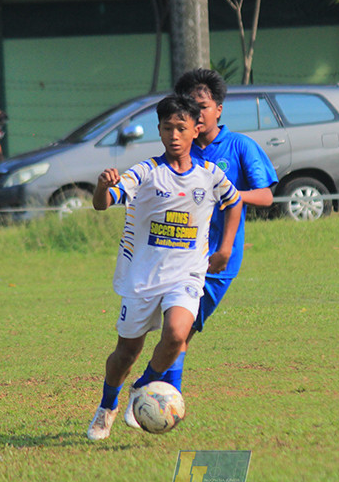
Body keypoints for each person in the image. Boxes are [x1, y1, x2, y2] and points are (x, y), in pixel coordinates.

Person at [117, 69, 279, 431]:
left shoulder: (239, 147)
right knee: (175, 334)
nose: (199, 114)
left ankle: (149, 396)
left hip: (216, 260)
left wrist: (227, 196)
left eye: (204, 107)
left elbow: (267, 196)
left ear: (218, 110)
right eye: (192, 108)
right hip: (167, 259)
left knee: (180, 333)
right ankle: (154, 396)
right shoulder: (178, 149)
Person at [87, 93, 242, 441]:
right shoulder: (146, 172)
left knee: (176, 334)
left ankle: (140, 390)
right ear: (159, 130)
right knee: (125, 352)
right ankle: (106, 406)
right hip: (142, 277)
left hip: (186, 275)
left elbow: (235, 203)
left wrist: (227, 247)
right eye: (167, 128)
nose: (174, 135)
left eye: (181, 128)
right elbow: (103, 204)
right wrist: (101, 188)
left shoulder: (210, 175)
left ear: (195, 129)